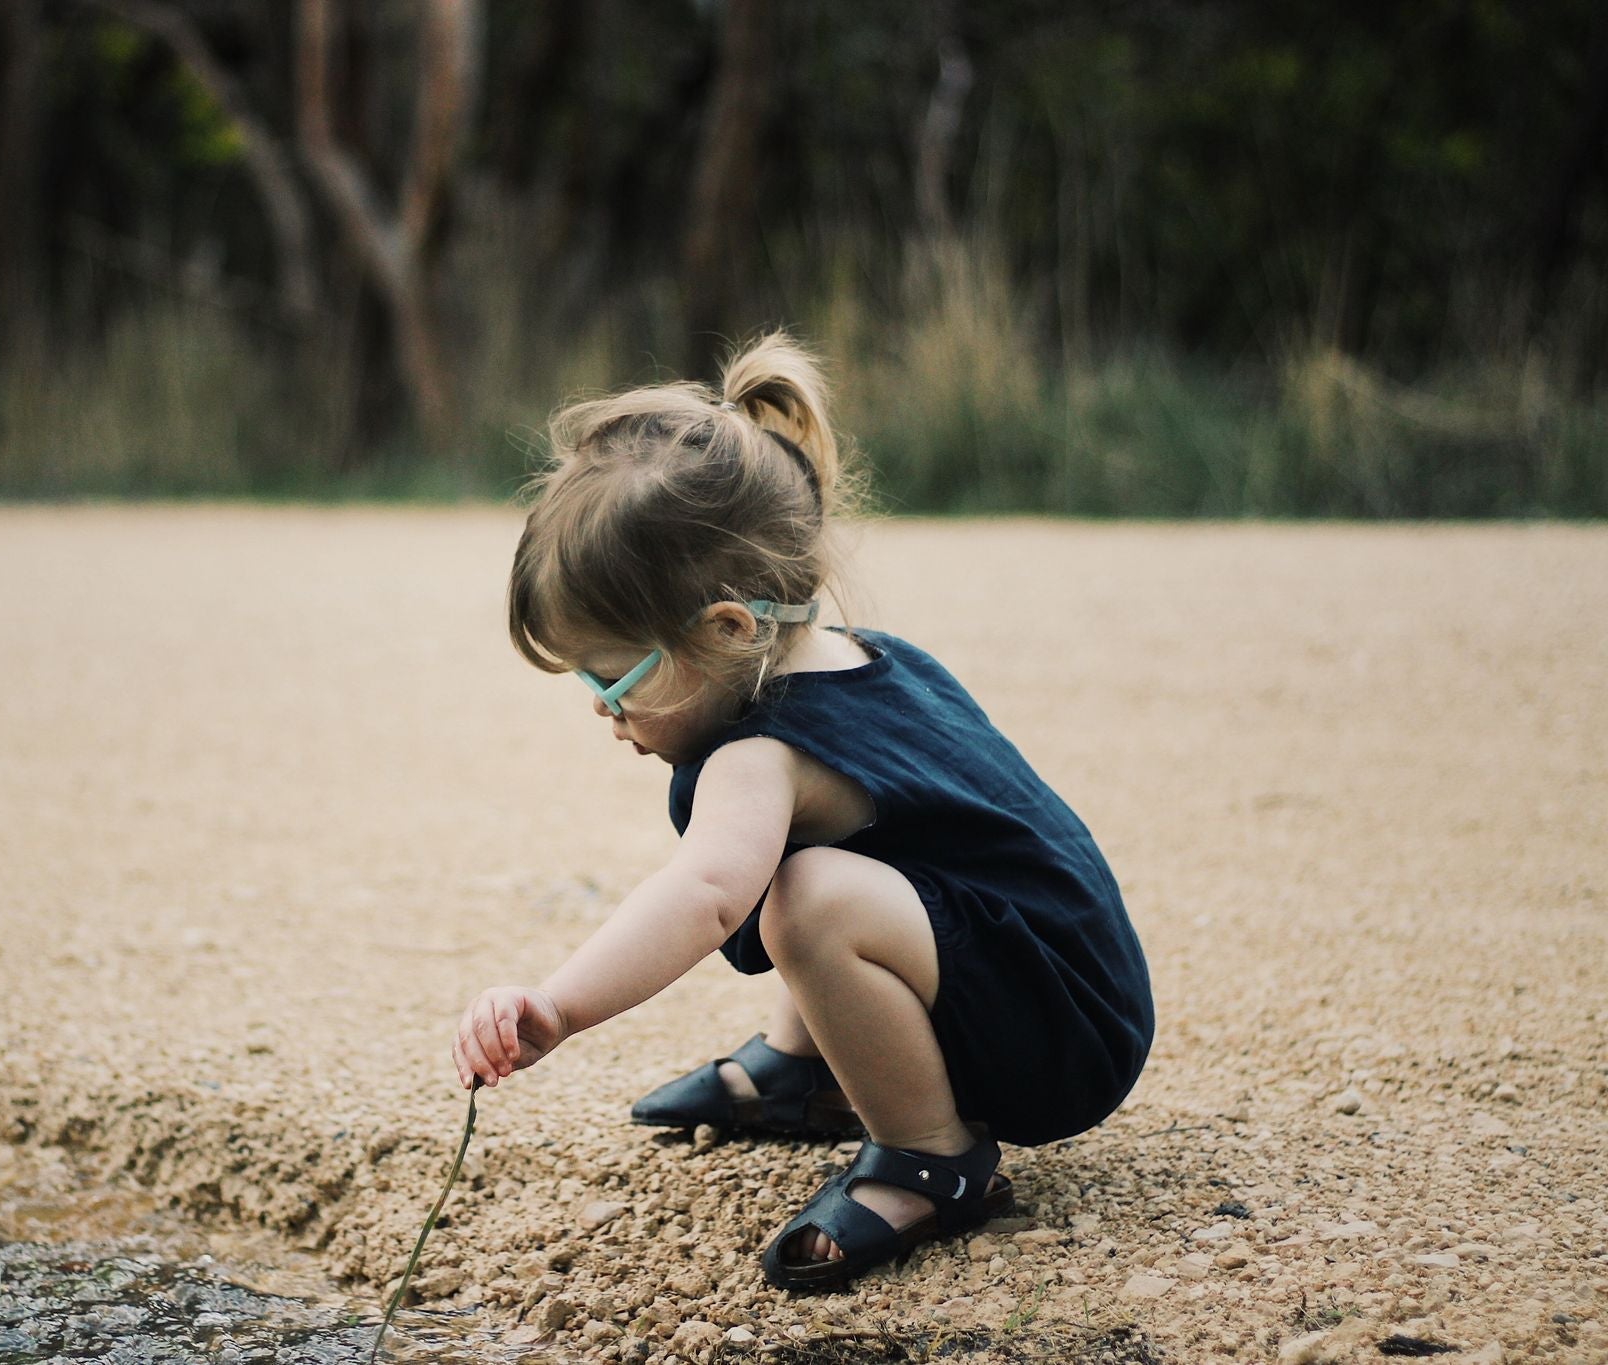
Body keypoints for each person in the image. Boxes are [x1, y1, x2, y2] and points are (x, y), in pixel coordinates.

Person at [451, 332, 1155, 1292]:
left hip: (1059, 1039)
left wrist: (558, 1006)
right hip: (1076, 981)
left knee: (807, 898)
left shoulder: (761, 756)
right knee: (826, 867)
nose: (602, 709)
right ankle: (805, 1065)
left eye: (614, 678)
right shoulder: (866, 655)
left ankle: (929, 1156)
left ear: (728, 629)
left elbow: (706, 895)